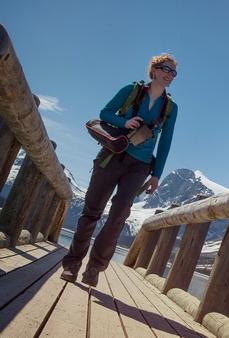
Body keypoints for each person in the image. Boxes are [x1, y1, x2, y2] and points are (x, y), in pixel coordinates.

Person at [60, 54, 179, 287]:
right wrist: (124, 123)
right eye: (166, 69)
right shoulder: (132, 90)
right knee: (91, 212)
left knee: (118, 217)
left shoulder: (171, 108)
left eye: (174, 72)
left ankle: (94, 268)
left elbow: (166, 142)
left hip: (140, 166)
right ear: (153, 70)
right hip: (111, 157)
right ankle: (72, 264)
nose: (170, 75)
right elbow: (105, 113)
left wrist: (156, 174)